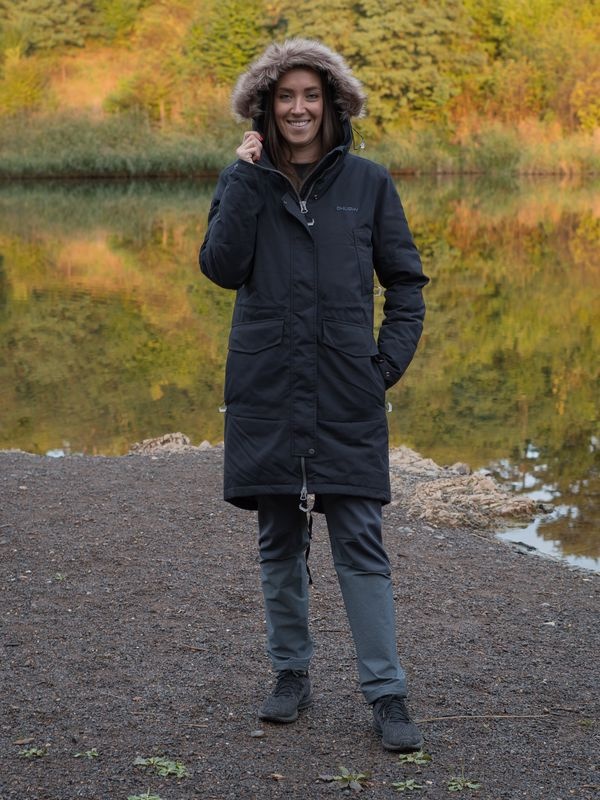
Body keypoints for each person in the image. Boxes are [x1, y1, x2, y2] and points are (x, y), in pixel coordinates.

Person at [199, 38, 429, 752]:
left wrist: (381, 367)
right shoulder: (244, 181)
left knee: (359, 537)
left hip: (345, 392)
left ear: (332, 104)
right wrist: (243, 179)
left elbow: (406, 284)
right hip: (267, 390)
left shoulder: (369, 183)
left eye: (310, 96)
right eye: (284, 97)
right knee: (278, 538)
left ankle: (386, 694)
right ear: (265, 107)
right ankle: (291, 674)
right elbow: (221, 266)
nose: (298, 109)